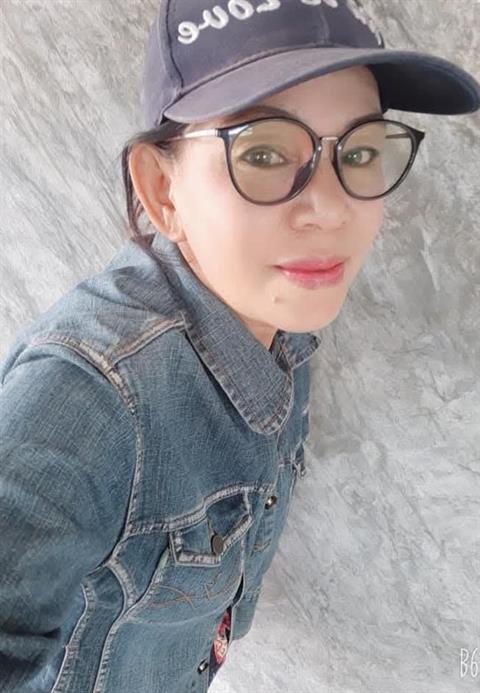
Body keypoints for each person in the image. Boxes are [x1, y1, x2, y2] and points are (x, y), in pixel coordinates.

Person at [0, 1, 478, 692]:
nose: (332, 208)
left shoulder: (277, 315)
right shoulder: (92, 395)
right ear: (162, 190)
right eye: (262, 153)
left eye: (360, 152)